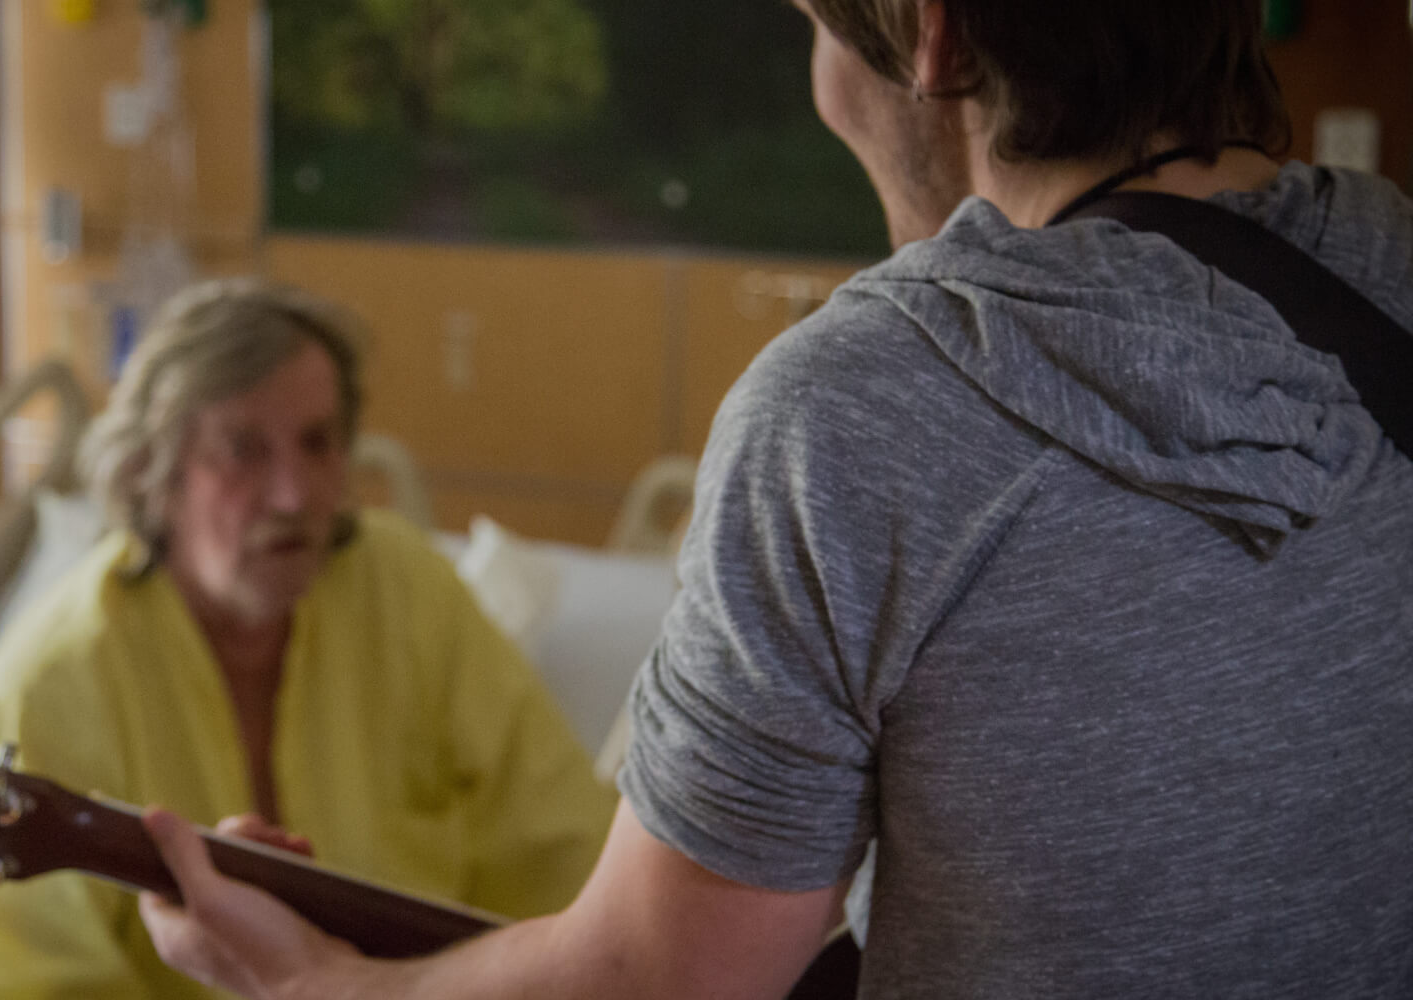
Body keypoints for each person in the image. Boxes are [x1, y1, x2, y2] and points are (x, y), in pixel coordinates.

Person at [138, 2, 1413, 997]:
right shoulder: (1390, 257)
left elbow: (654, 978)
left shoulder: (861, 410)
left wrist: (312, 979)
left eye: (811, 27)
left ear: (932, 34)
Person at [0, 278, 616, 1000]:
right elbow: (23, 982)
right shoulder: (45, 692)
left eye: (318, 443)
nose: (294, 494)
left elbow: (568, 860)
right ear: (155, 471)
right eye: (243, 449)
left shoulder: (413, 598)